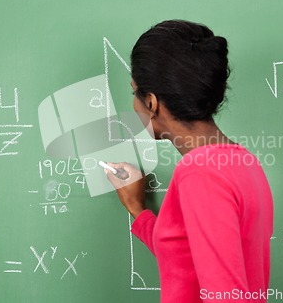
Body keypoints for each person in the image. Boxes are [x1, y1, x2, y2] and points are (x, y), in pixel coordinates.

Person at [105, 20, 274, 303]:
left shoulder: (199, 174)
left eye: (134, 91)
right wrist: (139, 210)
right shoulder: (243, 162)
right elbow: (190, 260)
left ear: (151, 102)